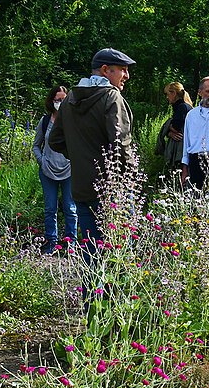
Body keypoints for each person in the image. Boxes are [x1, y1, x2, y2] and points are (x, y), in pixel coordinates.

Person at [49, 48, 136, 252]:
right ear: (106, 70)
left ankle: (91, 286)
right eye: (122, 70)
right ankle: (115, 286)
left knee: (92, 250)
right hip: (112, 188)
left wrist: (81, 157)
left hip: (82, 185)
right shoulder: (111, 97)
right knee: (119, 251)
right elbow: (120, 144)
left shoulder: (70, 99)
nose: (127, 75)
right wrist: (131, 175)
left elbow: (55, 140)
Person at [33, 85, 78, 255]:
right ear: (51, 101)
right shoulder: (45, 121)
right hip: (47, 171)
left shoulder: (73, 121)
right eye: (57, 100)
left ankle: (70, 242)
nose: (60, 102)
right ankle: (51, 241)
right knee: (50, 208)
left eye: (63, 100)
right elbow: (36, 145)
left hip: (69, 170)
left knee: (70, 207)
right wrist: (42, 161)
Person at [156, 82, 192, 172]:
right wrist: (169, 133)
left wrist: (168, 127)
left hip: (182, 151)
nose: (167, 97)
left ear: (174, 93)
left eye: (168, 94)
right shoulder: (182, 107)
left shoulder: (182, 107)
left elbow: (176, 127)